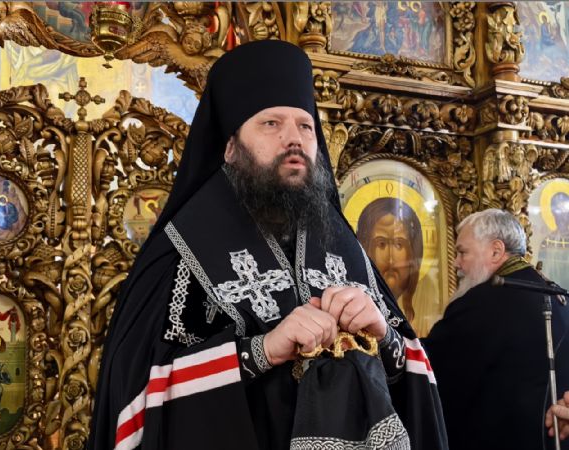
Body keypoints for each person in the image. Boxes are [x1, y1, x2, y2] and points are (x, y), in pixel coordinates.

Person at [89, 40, 448, 450]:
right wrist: (260, 352)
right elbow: (136, 401)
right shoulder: (183, 247)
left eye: (305, 126)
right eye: (271, 124)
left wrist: (383, 335)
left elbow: (415, 385)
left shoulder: (340, 241)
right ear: (230, 147)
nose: (294, 139)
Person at [423, 209, 569, 450]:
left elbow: (430, 368)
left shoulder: (482, 302)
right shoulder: (557, 295)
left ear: (496, 251)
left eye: (462, 252)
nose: (456, 263)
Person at [357, 197, 422, 322]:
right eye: (381, 244)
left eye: (399, 244)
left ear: (413, 252)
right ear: (365, 246)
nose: (391, 260)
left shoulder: (428, 306)